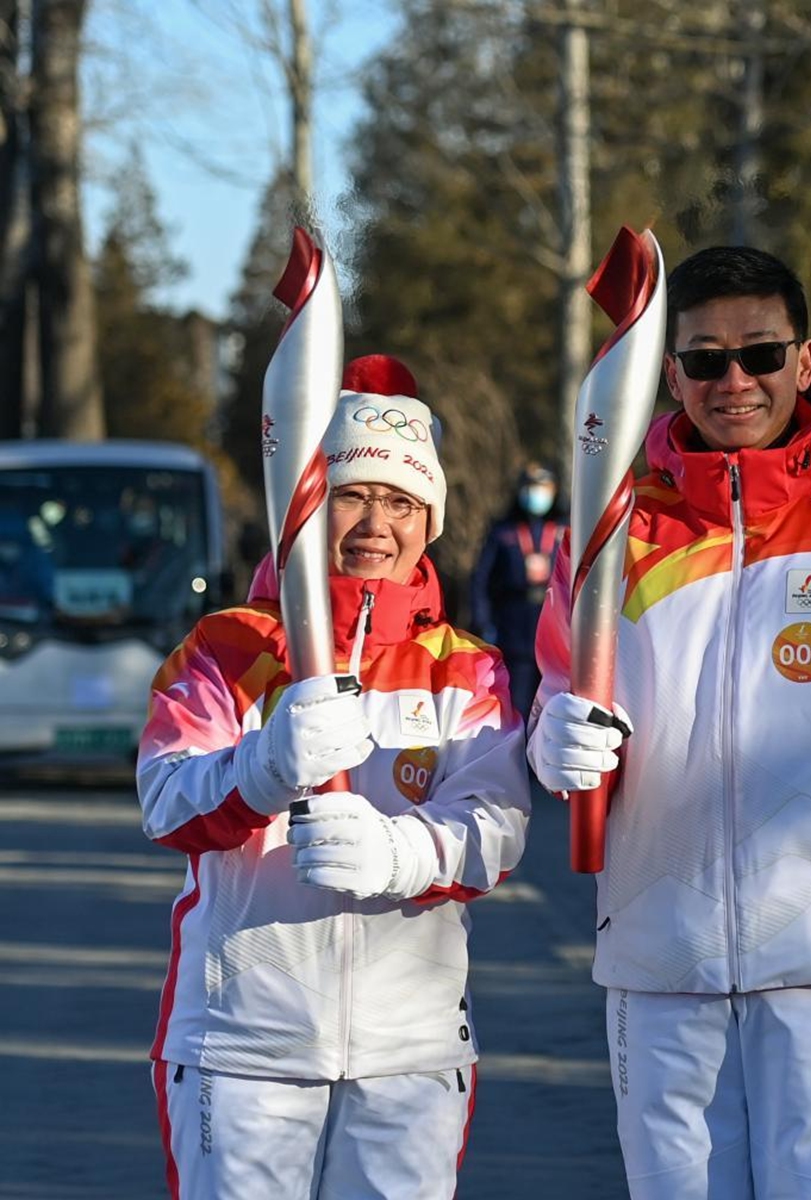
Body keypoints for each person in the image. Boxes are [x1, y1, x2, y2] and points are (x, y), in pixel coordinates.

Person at [527, 246, 811, 1199]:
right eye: (704, 359)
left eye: (760, 354)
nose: (733, 380)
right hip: (659, 965)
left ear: (806, 361)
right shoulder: (612, 537)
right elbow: (558, 705)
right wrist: (553, 743)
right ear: (671, 377)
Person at [137, 354, 531, 1199]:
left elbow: (496, 827)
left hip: (412, 1049)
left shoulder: (467, 669)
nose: (374, 523)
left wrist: (398, 855)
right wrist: (268, 764)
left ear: (430, 521)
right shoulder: (225, 650)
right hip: (240, 1043)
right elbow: (168, 801)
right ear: (308, 508)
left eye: (400, 501)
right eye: (351, 494)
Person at [470, 461, 565, 719]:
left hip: (554, 627)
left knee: (554, 707)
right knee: (516, 706)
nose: (536, 494)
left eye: (542, 487)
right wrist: (484, 623)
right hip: (514, 631)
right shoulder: (504, 530)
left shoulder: (565, 529)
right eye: (531, 487)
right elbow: (481, 581)